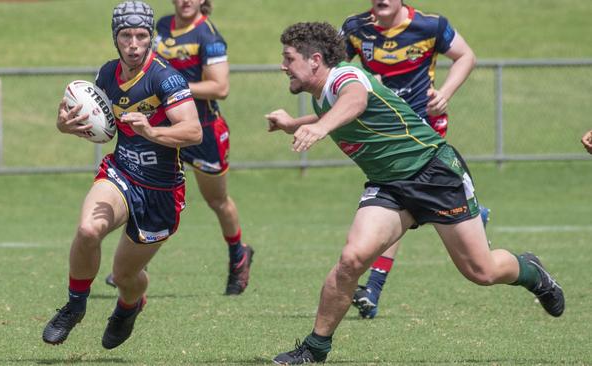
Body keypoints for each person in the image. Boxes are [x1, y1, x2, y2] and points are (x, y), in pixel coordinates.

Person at [266, 21, 564, 364]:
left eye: (288, 58)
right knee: (351, 260)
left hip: (434, 173)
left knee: (481, 272)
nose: (282, 65)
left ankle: (532, 273)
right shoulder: (323, 96)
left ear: (315, 60)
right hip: (389, 186)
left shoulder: (345, 77)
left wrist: (319, 128)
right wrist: (294, 124)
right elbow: (340, 112)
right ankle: (315, 349)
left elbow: (356, 100)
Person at [42, 1, 202, 349]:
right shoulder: (107, 74)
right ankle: (74, 306)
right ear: (115, 38)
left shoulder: (166, 77)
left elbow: (193, 132)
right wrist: (67, 126)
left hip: (161, 191)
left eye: (141, 36)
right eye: (125, 35)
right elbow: (106, 130)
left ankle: (129, 307)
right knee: (88, 231)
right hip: (121, 172)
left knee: (127, 276)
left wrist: (152, 132)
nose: (133, 44)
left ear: (151, 38)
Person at [340, 0, 487, 318]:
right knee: (402, 202)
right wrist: (360, 82)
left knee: (401, 200)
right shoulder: (355, 28)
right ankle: (471, 213)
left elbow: (466, 56)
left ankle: (373, 289)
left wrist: (445, 93)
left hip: (424, 128)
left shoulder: (430, 26)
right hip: (385, 130)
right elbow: (334, 71)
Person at [106, 0, 255, 296]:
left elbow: (220, 87)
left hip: (204, 130)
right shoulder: (157, 27)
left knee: (217, 200)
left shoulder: (208, 36)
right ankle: (134, 265)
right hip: (162, 128)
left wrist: (172, 87)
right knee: (145, 189)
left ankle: (239, 254)